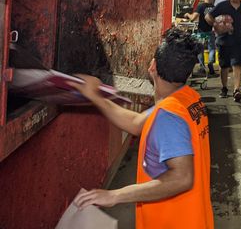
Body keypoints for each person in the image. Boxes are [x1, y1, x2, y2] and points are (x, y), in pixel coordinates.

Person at [69, 29, 213, 229]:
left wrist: (114, 195)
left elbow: (182, 178)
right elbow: (138, 123)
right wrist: (94, 96)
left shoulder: (168, 117)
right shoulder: (187, 98)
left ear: (153, 66)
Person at [205, 0, 241, 102]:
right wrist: (216, 25)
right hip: (223, 41)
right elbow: (208, 16)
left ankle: (237, 90)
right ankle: (224, 88)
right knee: (224, 66)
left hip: (239, 41)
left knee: (237, 65)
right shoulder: (223, 5)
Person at [185, 0, 217, 76]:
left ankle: (202, 67)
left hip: (201, 31)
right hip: (210, 31)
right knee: (212, 49)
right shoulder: (215, 7)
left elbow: (193, 18)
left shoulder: (201, 6)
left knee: (200, 49)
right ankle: (210, 63)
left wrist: (187, 14)